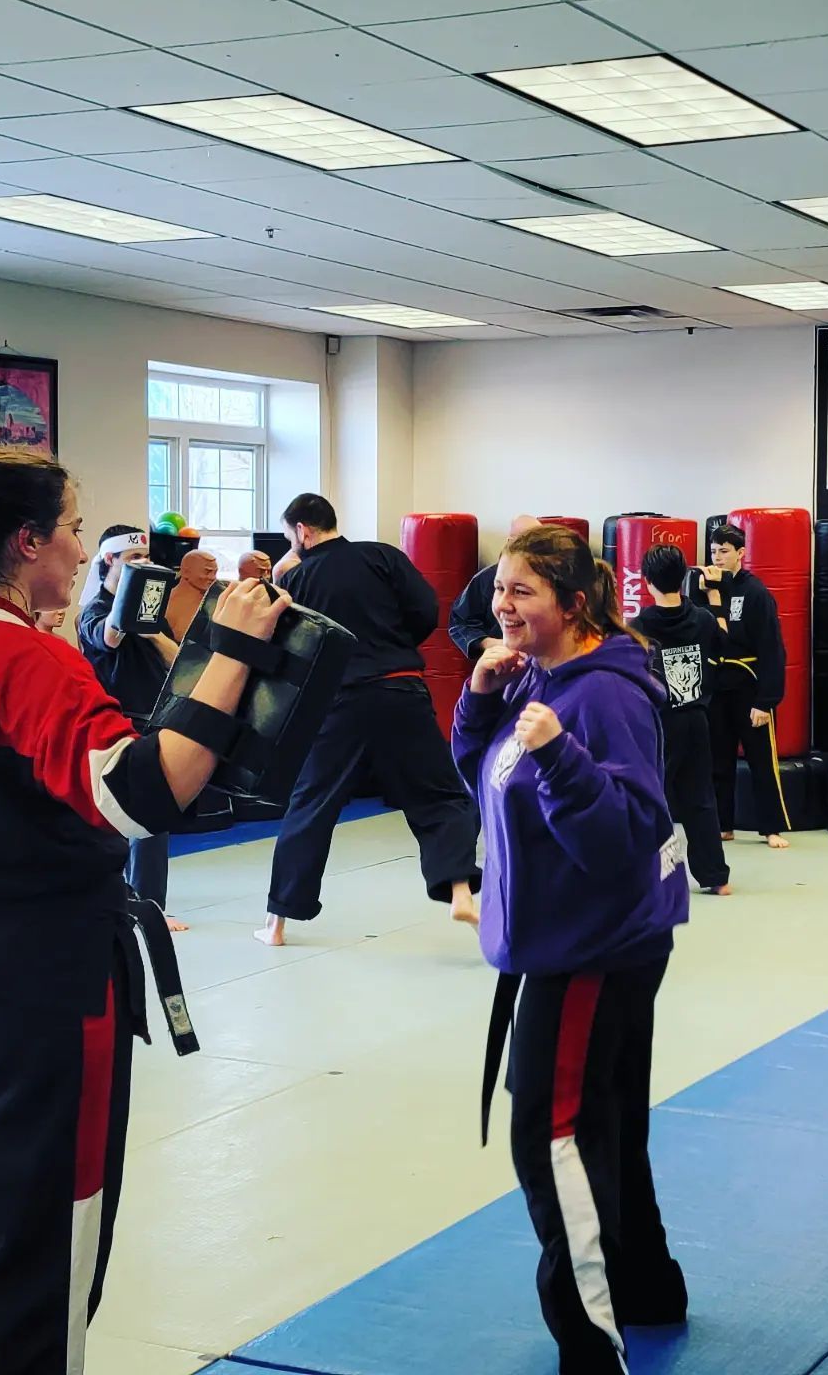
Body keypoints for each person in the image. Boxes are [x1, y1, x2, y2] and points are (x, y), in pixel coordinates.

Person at [0, 448, 289, 1375]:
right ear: (27, 542)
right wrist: (230, 652)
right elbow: (146, 794)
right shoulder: (26, 660)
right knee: (35, 1257)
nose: (78, 551)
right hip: (41, 987)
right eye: (71, 530)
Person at [451, 525, 689, 1375]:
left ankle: (591, 1344)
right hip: (563, 938)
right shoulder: (538, 677)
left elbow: (625, 834)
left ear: (573, 606)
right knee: (609, 1122)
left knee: (550, 1137)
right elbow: (492, 782)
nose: (501, 607)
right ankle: (646, 1287)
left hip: (590, 948)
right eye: (498, 589)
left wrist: (560, 755)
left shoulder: (607, 699)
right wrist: (482, 700)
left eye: (522, 593)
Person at [257, 492, 481, 944]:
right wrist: (392, 644)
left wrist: (281, 575)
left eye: (289, 537)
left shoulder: (300, 581)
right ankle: (459, 888)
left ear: (302, 531)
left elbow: (287, 645)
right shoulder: (382, 555)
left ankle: (277, 922)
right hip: (400, 686)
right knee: (439, 795)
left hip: (339, 701)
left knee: (312, 803)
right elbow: (425, 611)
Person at [78, 525, 187, 933]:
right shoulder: (93, 609)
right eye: (133, 561)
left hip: (153, 719)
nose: (142, 566)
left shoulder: (150, 613)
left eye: (145, 559)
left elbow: (177, 659)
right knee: (119, 822)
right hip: (113, 725)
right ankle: (122, 903)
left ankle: (148, 906)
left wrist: (152, 623)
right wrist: (130, 601)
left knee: (154, 818)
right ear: (110, 560)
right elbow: (108, 639)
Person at [630, 544, 731, 895]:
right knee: (700, 798)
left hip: (659, 724)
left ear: (647, 582)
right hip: (697, 719)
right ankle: (716, 877)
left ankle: (650, 876)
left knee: (650, 799)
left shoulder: (638, 626)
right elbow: (721, 645)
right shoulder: (702, 619)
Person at [704, 523, 790, 848]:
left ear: (740, 553)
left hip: (751, 687)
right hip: (718, 686)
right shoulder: (706, 590)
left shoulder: (755, 593)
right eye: (714, 551)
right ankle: (723, 825)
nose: (718, 557)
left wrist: (766, 700)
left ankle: (771, 828)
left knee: (761, 760)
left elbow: (772, 649)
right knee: (718, 759)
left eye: (724, 551)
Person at [448, 514, 541, 661]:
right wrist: (489, 643)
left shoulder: (553, 578)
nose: (504, 605)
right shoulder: (487, 578)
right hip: (502, 666)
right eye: (500, 589)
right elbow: (461, 620)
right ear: (510, 542)